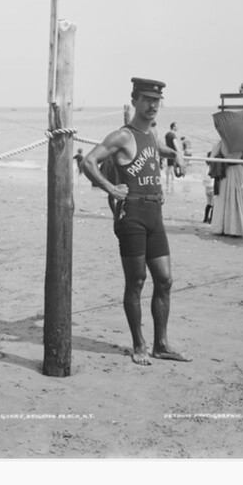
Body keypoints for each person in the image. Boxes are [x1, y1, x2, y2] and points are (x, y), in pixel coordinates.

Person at [82, 77, 191, 366]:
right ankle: (139, 345)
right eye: (147, 99)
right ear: (134, 101)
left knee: (165, 280)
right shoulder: (122, 135)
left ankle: (161, 344)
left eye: (156, 100)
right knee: (137, 281)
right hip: (132, 215)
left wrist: (177, 154)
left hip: (155, 213)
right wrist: (111, 188)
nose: (153, 105)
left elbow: (154, 152)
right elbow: (88, 162)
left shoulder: (151, 135)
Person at [208, 139, 243, 237]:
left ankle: (222, 227)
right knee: (237, 199)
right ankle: (235, 228)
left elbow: (213, 157)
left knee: (224, 198)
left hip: (226, 172)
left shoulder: (222, 142)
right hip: (238, 172)